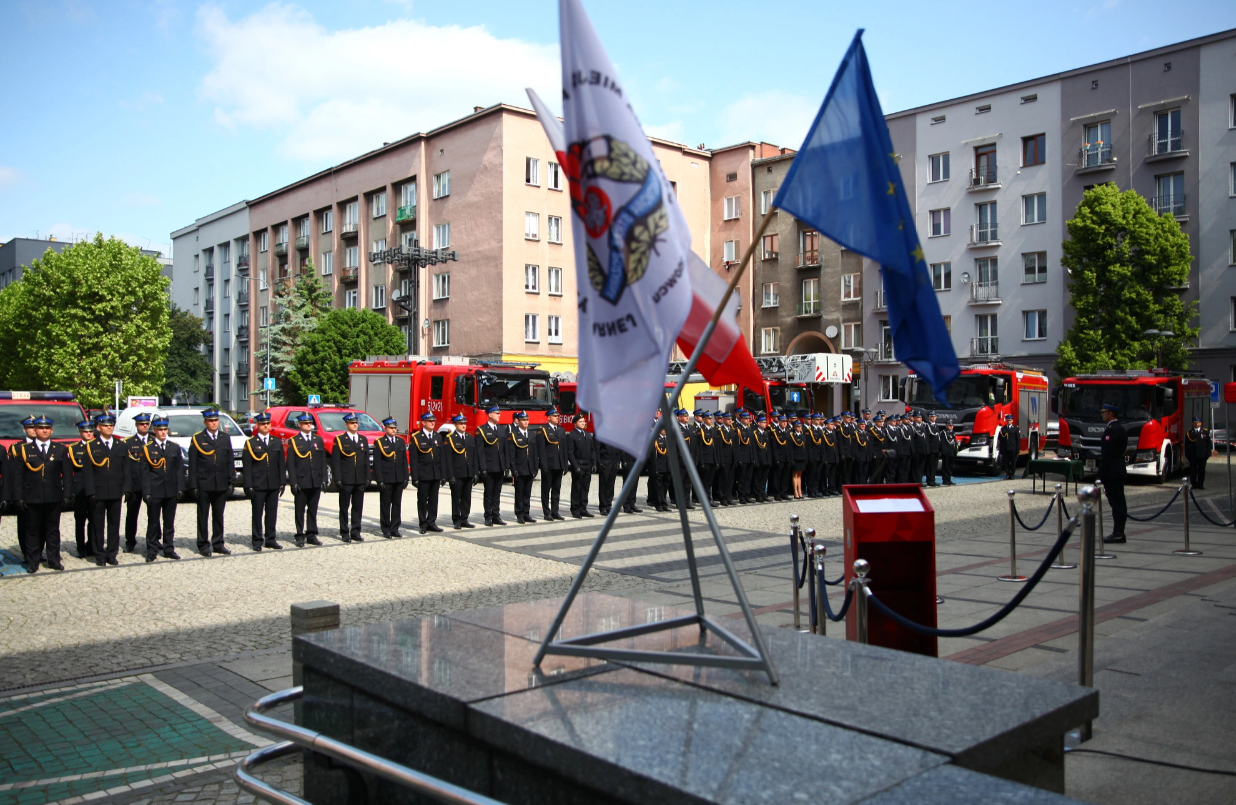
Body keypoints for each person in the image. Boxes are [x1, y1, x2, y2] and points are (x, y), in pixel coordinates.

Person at [11, 415, 70, 572]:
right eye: (40, 428)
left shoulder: (60, 449)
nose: (44, 430)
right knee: (32, 530)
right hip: (32, 496)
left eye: (47, 428)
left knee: (52, 530)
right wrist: (18, 497)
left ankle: (53, 560)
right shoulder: (24, 450)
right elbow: (17, 476)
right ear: (35, 430)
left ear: (51, 430)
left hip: (53, 495)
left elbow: (66, 474)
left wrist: (67, 495)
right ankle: (33, 561)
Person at [188, 408, 236, 557]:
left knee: (218, 515)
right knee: (203, 515)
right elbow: (193, 464)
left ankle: (218, 543)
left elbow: (229, 461)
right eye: (211, 421)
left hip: (220, 483)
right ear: (205, 422)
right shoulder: (198, 439)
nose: (214, 423)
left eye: (216, 420)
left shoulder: (224, 437)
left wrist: (230, 481)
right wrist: (193, 485)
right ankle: (203, 544)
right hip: (204, 483)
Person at [140, 416, 184, 562]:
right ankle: (152, 550)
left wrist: (180, 488)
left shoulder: (174, 447)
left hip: (170, 490)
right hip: (155, 490)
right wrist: (146, 492)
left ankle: (168, 549)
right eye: (160, 430)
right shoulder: (148, 448)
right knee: (153, 522)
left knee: (169, 522)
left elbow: (179, 470)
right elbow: (144, 472)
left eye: (165, 429)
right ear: (154, 431)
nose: (163, 432)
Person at [86, 413, 127, 566]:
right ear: (98, 427)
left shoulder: (121, 445)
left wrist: (125, 489)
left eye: (111, 425)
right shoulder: (91, 446)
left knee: (114, 524)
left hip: (115, 490)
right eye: (105, 425)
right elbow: (88, 472)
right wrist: (91, 491)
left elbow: (125, 470)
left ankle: (112, 553)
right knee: (97, 524)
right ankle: (99, 554)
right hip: (98, 491)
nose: (109, 427)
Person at [242, 412, 288, 549]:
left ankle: (271, 539)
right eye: (262, 424)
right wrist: (248, 484)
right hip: (258, 484)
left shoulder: (276, 442)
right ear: (258, 425)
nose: (265, 426)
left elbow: (281, 464)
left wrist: (282, 482)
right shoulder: (250, 443)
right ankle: (257, 540)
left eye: (267, 423)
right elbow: (247, 466)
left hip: (273, 483)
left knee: (272, 513)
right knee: (257, 513)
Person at [286, 414, 326, 546]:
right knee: (299, 509)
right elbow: (291, 464)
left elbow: (322, 461)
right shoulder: (294, 441)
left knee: (313, 509)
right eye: (305, 423)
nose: (309, 425)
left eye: (310, 423)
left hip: (315, 480)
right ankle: (299, 535)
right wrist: (293, 482)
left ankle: (311, 534)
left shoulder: (317, 440)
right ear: (299, 425)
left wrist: (324, 478)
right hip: (301, 480)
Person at [331, 412, 370, 542]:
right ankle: (344, 532)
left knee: (358, 506)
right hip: (346, 479)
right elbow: (335, 461)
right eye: (352, 423)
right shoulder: (340, 440)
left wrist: (368, 477)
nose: (355, 425)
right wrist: (337, 478)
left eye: (356, 423)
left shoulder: (362, 439)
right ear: (346, 424)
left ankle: (356, 531)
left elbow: (365, 461)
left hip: (359, 478)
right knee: (344, 507)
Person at [372, 417, 409, 538]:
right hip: (387, 478)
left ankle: (395, 528)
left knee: (397, 504)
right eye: (391, 428)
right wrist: (380, 479)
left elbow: (404, 461)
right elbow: (377, 463)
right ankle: (386, 528)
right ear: (385, 428)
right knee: (385, 504)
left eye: (395, 428)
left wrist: (405, 477)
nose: (393, 430)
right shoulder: (380, 442)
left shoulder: (400, 441)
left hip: (398, 478)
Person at [410, 413, 446, 533]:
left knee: (433, 500)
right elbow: (414, 459)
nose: (432, 423)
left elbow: (441, 457)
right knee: (422, 500)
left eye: (433, 421)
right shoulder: (417, 437)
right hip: (423, 474)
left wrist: (443, 474)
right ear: (423, 423)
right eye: (429, 421)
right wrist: (415, 477)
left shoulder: (438, 437)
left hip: (435, 473)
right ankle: (423, 523)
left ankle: (432, 522)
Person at [1099, 403, 1129, 543]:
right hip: (1115, 471)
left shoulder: (1113, 430)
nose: (1102, 414)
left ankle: (1119, 532)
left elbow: (1108, 455)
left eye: (1104, 412)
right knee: (1117, 502)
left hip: (1112, 472)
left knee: (1117, 502)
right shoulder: (1116, 428)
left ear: (1110, 413)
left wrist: (1100, 475)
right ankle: (1118, 531)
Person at [123, 412, 153, 553]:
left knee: (153, 514)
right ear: (136, 425)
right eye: (142, 423)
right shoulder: (128, 443)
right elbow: (126, 468)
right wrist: (126, 488)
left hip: (151, 484)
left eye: (147, 423)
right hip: (135, 484)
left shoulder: (154, 440)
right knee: (132, 514)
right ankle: (130, 541)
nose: (145, 426)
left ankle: (154, 540)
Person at [67, 419, 96, 559]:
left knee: (94, 518)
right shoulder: (73, 448)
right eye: (85, 431)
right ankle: (80, 547)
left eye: (91, 431)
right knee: (80, 520)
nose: (89, 434)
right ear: (80, 432)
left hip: (95, 488)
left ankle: (92, 545)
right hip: (79, 488)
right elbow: (69, 472)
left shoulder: (98, 446)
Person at [475, 406, 507, 526]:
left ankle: (496, 515)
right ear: (489, 415)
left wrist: (506, 465)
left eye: (499, 413)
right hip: (489, 465)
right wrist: (482, 467)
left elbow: (505, 449)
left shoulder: (501, 429)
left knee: (497, 492)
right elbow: (480, 451)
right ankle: (488, 516)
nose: (499, 415)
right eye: (496, 413)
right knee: (488, 492)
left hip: (499, 465)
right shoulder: (482, 430)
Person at [444, 414, 476, 529]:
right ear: (455, 425)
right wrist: (450, 475)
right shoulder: (450, 438)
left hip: (468, 472)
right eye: (461, 423)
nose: (463, 425)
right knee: (456, 498)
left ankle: (464, 518)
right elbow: (447, 458)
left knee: (467, 497)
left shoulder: (470, 438)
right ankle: (456, 519)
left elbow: (474, 457)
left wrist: (475, 472)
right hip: (457, 473)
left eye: (464, 423)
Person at [506, 411, 538, 523]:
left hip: (529, 468)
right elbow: (511, 454)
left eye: (527, 420)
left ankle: (526, 513)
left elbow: (534, 453)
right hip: (519, 468)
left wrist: (535, 468)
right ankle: (519, 513)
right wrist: (513, 469)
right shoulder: (513, 435)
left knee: (527, 493)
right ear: (518, 421)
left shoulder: (532, 434)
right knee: (519, 493)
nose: (526, 422)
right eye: (523, 420)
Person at [537, 407, 568, 521]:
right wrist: (543, 465)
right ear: (549, 417)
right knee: (546, 490)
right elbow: (541, 450)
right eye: (555, 416)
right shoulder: (543, 430)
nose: (557, 418)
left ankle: (555, 511)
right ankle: (546, 512)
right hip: (549, 464)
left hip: (559, 464)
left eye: (557, 416)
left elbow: (564, 449)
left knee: (556, 489)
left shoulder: (561, 430)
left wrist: (565, 464)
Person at [567, 413, 596, 518]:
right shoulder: (572, 435)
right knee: (576, 488)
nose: (583, 423)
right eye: (580, 421)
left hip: (587, 465)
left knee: (585, 488)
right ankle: (575, 510)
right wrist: (575, 466)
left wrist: (594, 463)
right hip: (578, 464)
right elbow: (570, 453)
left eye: (584, 421)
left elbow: (592, 450)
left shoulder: (587, 435)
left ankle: (583, 508)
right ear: (575, 423)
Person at [1184, 416, 1213, 490]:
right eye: (1195, 423)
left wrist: (1208, 453)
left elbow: (1209, 443)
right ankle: (1193, 484)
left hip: (1202, 455)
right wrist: (1187, 454)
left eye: (1198, 423)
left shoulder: (1205, 432)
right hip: (1193, 455)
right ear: (1192, 424)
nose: (1196, 424)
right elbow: (1186, 445)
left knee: (1201, 470)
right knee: (1193, 470)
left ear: (1200, 423)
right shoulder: (1189, 432)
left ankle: (1200, 484)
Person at [596, 431, 621, 515]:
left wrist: (618, 461)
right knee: (603, 485)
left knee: (611, 485)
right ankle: (603, 507)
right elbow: (597, 448)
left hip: (613, 461)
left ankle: (608, 505)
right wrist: (599, 462)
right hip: (605, 461)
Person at [751, 413, 771, 502]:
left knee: (764, 478)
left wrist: (769, 459)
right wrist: (755, 459)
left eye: (765, 422)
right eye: (763, 422)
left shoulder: (766, 434)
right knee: (757, 478)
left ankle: (763, 493)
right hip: (759, 458)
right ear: (758, 423)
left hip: (766, 459)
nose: (765, 424)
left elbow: (768, 448)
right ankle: (758, 495)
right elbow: (754, 448)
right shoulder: (755, 433)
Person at [998, 414, 1021, 481]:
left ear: (1012, 420)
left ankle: (1012, 474)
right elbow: (1001, 439)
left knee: (1013, 461)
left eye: (1010, 420)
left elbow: (1018, 439)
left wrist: (1018, 448)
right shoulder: (1003, 428)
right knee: (1006, 462)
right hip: (1006, 448)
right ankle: (1007, 474)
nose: (1008, 421)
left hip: (1013, 448)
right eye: (1007, 420)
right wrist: (1001, 449)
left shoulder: (1015, 428)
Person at [789, 418, 808, 499]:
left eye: (800, 426)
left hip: (802, 457)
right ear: (795, 427)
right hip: (796, 457)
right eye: (798, 427)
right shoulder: (792, 436)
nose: (800, 428)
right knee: (795, 475)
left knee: (800, 475)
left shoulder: (803, 435)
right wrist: (792, 458)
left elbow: (804, 447)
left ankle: (800, 490)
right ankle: (795, 491)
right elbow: (791, 448)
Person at [923, 413, 942, 487]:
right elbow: (927, 438)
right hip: (931, 448)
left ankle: (933, 479)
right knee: (930, 465)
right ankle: (929, 480)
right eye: (932, 416)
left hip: (936, 449)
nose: (934, 418)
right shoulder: (927, 425)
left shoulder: (936, 425)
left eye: (934, 416)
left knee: (934, 466)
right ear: (929, 417)